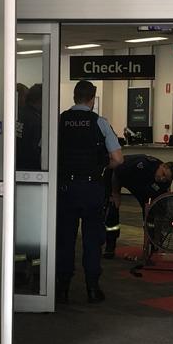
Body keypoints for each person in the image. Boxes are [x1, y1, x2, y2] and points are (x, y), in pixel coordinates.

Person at [56, 80, 123, 304]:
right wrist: (101, 166)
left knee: (65, 238)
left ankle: (62, 288)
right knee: (92, 240)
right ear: (92, 99)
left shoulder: (60, 121)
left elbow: (43, 153)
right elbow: (118, 159)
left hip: (65, 188)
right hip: (92, 188)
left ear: (74, 97)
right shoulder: (99, 123)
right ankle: (92, 289)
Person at [103, 155, 173, 259]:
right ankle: (110, 246)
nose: (162, 179)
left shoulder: (164, 183)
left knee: (151, 215)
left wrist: (157, 223)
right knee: (112, 207)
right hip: (117, 174)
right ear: (162, 166)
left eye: (166, 179)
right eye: (163, 174)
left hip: (141, 188)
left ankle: (153, 245)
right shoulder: (143, 165)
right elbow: (117, 173)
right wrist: (115, 193)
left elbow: (160, 202)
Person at [16, 83, 43, 170]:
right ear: (40, 100)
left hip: (17, 163)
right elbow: (36, 148)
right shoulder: (36, 120)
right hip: (30, 166)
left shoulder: (18, 115)